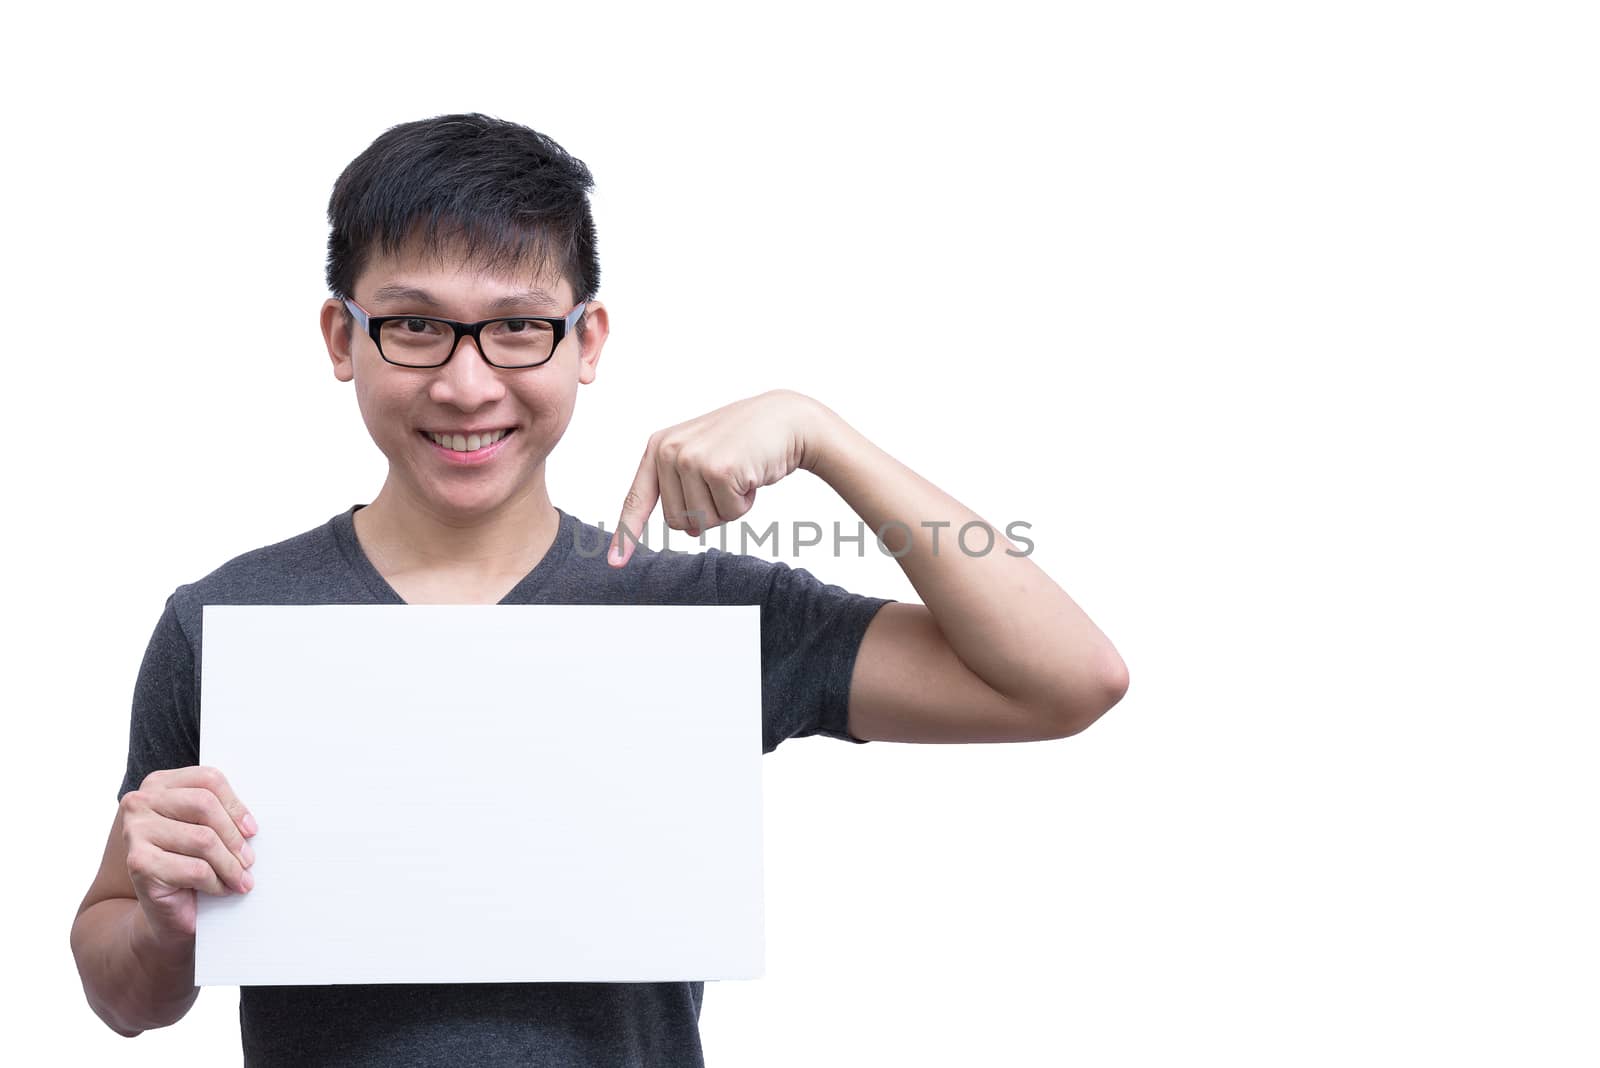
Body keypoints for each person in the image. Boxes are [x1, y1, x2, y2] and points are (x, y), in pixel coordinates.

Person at [69, 112, 1129, 1066]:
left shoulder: (690, 617)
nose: (468, 381)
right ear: (344, 337)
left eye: (519, 325)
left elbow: (1066, 679)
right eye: (415, 324)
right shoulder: (225, 624)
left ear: (589, 341)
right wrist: (163, 924)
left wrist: (824, 437)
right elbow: (122, 995)